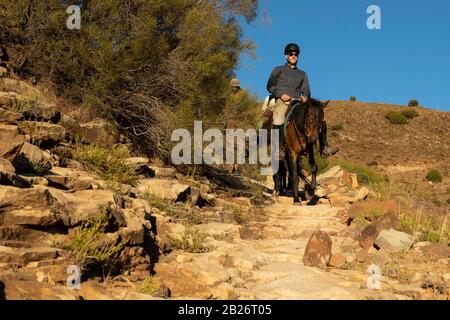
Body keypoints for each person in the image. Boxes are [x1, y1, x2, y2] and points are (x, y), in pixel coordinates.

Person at [266, 43, 339, 158]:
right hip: (282, 100)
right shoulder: (278, 70)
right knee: (279, 116)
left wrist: (305, 96)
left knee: (320, 117)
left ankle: (324, 147)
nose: (293, 56)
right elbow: (270, 86)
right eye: (291, 54)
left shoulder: (302, 74)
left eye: (296, 54)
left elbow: (306, 90)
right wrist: (281, 95)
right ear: (286, 56)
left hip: (298, 102)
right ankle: (279, 148)